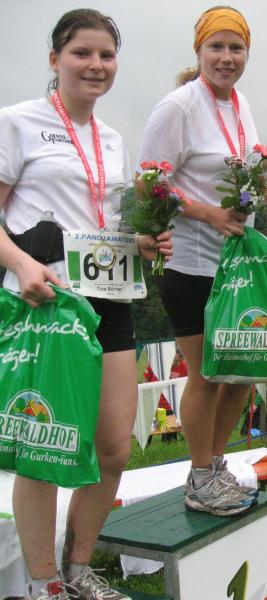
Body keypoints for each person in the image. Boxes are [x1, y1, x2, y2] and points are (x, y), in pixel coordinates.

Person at [0, 9, 172, 600]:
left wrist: (141, 243)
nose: (96, 65)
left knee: (114, 448)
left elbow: (100, 226)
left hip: (108, 299)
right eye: (82, 53)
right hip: (45, 302)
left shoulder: (113, 139)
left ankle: (78, 569)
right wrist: (20, 264)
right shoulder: (17, 122)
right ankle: (44, 584)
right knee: (47, 447)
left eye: (106, 55)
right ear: (55, 60)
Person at [138, 6, 267, 517]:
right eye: (216, 47)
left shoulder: (240, 103)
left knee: (241, 374)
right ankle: (200, 477)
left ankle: (215, 467)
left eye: (236, 48)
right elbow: (148, 181)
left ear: (247, 54)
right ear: (198, 51)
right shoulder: (178, 107)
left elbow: (244, 168)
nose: (226, 57)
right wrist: (209, 214)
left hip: (238, 264)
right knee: (208, 376)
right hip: (191, 264)